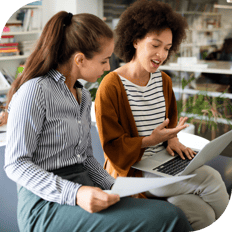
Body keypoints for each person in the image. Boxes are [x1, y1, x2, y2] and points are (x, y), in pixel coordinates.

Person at [4, 11, 193, 232]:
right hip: (45, 204)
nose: (107, 68)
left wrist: (116, 187)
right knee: (170, 218)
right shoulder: (34, 92)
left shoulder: (82, 96)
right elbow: (16, 164)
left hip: (86, 188)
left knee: (168, 214)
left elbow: (85, 158)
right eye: (104, 60)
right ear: (80, 59)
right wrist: (75, 193)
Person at [95, 1, 230, 231]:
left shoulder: (163, 80)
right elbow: (112, 147)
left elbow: (169, 121)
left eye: (167, 48)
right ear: (135, 40)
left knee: (202, 212)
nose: (161, 55)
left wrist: (172, 139)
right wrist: (150, 141)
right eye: (155, 45)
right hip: (134, 173)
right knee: (211, 179)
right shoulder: (111, 86)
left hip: (164, 165)